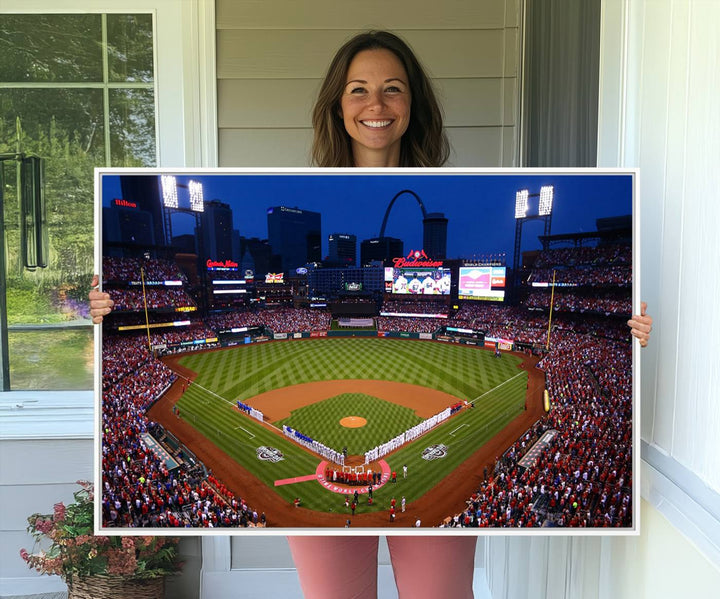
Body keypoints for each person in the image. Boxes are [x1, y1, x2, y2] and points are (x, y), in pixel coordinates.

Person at [89, 29, 653, 599]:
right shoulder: (301, 181)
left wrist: (627, 331)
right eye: (358, 89)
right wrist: (101, 310)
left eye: (393, 89)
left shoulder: (464, 180)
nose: (376, 105)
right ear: (337, 104)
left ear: (414, 105)